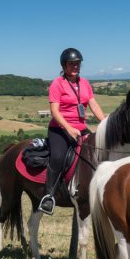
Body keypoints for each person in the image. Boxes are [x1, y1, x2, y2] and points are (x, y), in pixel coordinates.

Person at [39, 47, 106, 215]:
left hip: (81, 128)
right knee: (58, 157)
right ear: (64, 65)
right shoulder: (57, 84)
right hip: (60, 129)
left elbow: (93, 104)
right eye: (71, 64)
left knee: (98, 151)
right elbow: (55, 111)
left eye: (77, 64)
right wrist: (68, 128)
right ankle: (49, 196)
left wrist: (105, 122)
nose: (75, 67)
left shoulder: (85, 83)